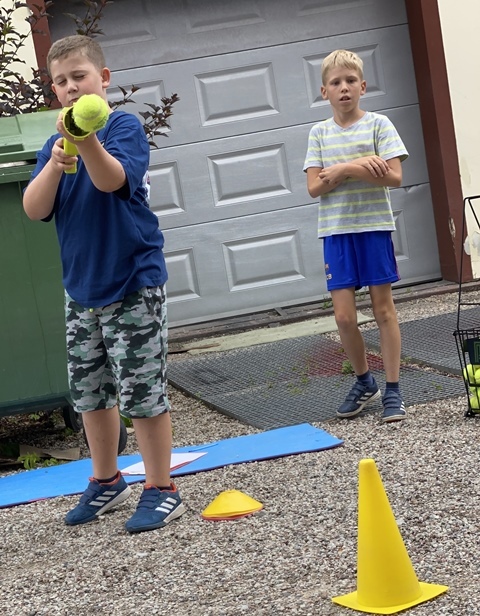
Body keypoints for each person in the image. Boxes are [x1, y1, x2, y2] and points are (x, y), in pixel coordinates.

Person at [23, 35, 185, 532]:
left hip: (132, 282)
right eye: (61, 81)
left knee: (142, 392)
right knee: (90, 393)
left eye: (80, 76)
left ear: (104, 79)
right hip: (81, 290)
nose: (71, 87)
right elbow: (34, 208)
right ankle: (107, 479)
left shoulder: (123, 128)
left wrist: (84, 138)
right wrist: (56, 161)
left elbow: (112, 180)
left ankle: (161, 488)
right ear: (54, 90)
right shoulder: (54, 147)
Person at [303, 49, 408, 423]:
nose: (344, 88)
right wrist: (360, 166)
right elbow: (315, 186)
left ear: (362, 86)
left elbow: (394, 177)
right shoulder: (319, 133)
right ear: (324, 92)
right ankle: (365, 382)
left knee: (383, 310)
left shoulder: (379, 126)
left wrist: (346, 168)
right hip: (336, 233)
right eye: (336, 82)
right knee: (344, 317)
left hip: (373, 228)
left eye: (350, 81)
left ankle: (393, 389)